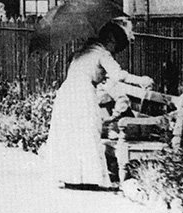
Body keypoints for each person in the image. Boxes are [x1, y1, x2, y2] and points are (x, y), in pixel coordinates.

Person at [42, 18, 153, 189]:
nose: (115, 48)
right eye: (116, 43)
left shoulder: (84, 51)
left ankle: (71, 177)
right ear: (111, 39)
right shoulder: (102, 53)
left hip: (67, 93)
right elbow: (118, 75)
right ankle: (90, 178)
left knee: (70, 134)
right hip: (82, 94)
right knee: (88, 131)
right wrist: (141, 80)